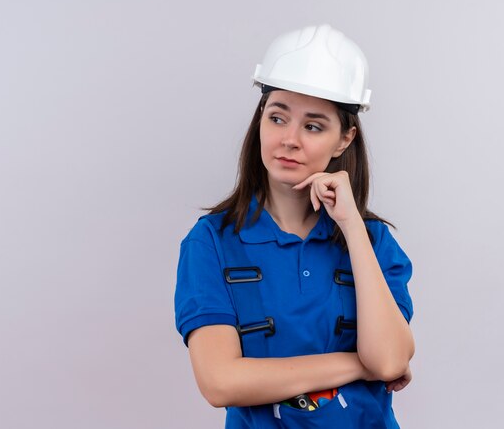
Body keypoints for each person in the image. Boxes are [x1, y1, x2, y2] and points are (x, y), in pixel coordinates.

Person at [174, 24, 415, 428]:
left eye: (313, 126)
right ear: (260, 121)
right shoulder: (212, 242)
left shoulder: (373, 240)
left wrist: (352, 227)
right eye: (277, 117)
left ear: (344, 139)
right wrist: (357, 365)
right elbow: (220, 382)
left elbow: (390, 360)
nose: (289, 139)